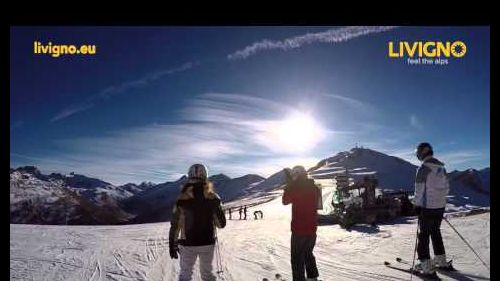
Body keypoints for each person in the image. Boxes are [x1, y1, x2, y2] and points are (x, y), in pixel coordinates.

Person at [169, 164, 226, 281]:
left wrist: (172, 245)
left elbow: (175, 225)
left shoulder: (182, 198)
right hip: (208, 242)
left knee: (185, 274)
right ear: (205, 175)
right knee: (207, 274)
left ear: (189, 176)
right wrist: (217, 207)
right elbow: (221, 224)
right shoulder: (213, 197)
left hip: (187, 244)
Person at [413, 142, 450, 275]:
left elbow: (419, 189)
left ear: (422, 153)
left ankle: (426, 265)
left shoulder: (423, 168)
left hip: (427, 207)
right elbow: (446, 188)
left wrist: (417, 205)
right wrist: (440, 202)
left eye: (418, 152)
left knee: (423, 235)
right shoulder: (441, 168)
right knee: (435, 231)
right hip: (440, 207)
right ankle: (441, 260)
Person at [282, 165, 320, 281]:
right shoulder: (314, 187)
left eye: (294, 175)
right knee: (308, 254)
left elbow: (285, 201)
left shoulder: (296, 188)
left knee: (297, 258)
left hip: (299, 230)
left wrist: (289, 185)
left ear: (297, 175)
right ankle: (312, 277)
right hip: (312, 229)